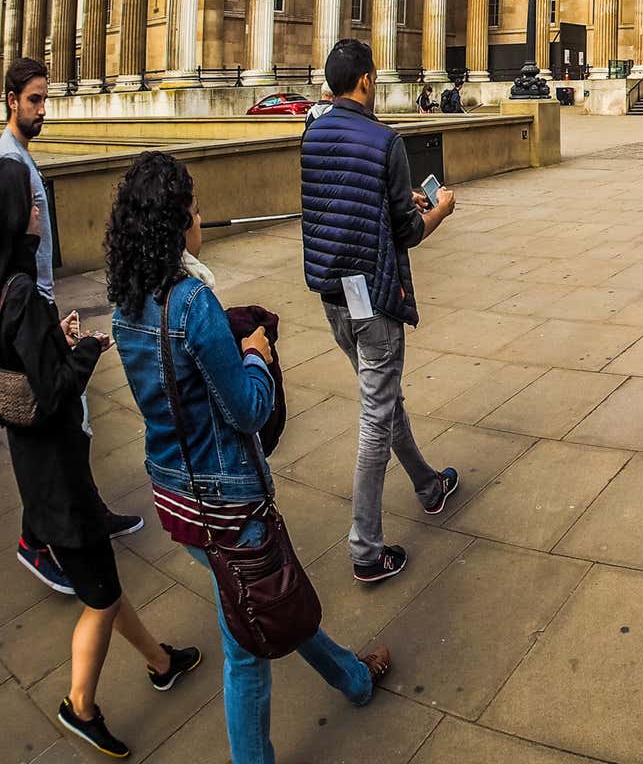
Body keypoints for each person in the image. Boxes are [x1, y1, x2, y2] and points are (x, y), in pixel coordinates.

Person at [111, 152, 389, 764]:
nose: (202, 218)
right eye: (194, 209)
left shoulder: (124, 302)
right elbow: (247, 410)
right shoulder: (190, 301)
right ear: (175, 223)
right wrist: (258, 353)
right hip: (226, 500)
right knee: (246, 647)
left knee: (261, 597)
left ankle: (353, 678)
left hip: (172, 492)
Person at [1, 159, 201, 757]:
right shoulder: (21, 298)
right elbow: (56, 391)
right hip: (59, 476)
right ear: (14, 218)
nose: (40, 210)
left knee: (104, 584)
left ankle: (161, 661)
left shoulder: (3, 290)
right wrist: (85, 348)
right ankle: (80, 706)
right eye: (31, 206)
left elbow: (26, 372)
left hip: (36, 466)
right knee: (100, 596)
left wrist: (55, 344)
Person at [301, 39, 458, 586]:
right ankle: (365, 547)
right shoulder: (385, 141)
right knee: (375, 415)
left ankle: (428, 485)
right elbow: (407, 234)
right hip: (374, 295)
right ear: (366, 81)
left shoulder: (312, 134)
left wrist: (397, 201)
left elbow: (341, 204)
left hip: (332, 295)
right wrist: (438, 209)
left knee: (383, 398)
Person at [2, 58, 142, 597]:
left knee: (71, 426)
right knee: (52, 418)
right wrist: (75, 347)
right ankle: (37, 539)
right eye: (34, 100)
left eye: (45, 100)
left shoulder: (21, 158)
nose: (42, 110)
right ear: (11, 99)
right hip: (24, 306)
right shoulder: (7, 162)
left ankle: (87, 514)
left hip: (34, 305)